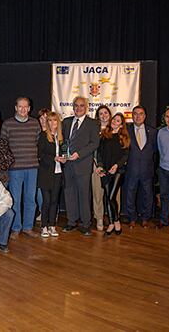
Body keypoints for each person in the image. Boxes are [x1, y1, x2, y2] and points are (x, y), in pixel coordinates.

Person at [1, 97, 41, 238]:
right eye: (20, 106)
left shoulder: (35, 123)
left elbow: (37, 143)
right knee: (15, 200)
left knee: (31, 198)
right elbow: (3, 146)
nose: (23, 109)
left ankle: (28, 227)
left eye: (26, 107)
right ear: (16, 108)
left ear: (29, 108)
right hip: (15, 168)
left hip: (32, 167)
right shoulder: (8, 124)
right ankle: (16, 228)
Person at [61, 96, 100, 236]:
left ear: (87, 107)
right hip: (68, 165)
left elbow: (94, 143)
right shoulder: (66, 122)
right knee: (69, 193)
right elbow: (64, 141)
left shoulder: (93, 123)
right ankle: (72, 221)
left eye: (81, 106)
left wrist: (79, 154)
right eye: (76, 105)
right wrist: (64, 154)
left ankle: (85, 224)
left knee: (84, 195)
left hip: (83, 164)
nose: (78, 108)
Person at [122, 106, 157, 227]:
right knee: (130, 194)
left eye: (141, 114)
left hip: (147, 170)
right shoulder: (126, 130)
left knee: (147, 195)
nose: (138, 116)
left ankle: (145, 217)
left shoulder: (152, 131)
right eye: (135, 114)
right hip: (131, 169)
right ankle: (132, 217)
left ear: (145, 116)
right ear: (132, 116)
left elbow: (155, 150)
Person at [96, 112, 130, 236]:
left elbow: (125, 155)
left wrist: (117, 165)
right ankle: (111, 223)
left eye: (117, 121)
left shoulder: (124, 138)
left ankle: (116, 221)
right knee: (106, 197)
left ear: (121, 125)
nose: (114, 122)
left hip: (117, 170)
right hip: (105, 170)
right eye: (114, 119)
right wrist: (100, 166)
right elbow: (99, 153)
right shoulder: (104, 135)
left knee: (111, 197)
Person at [37, 112, 65, 237]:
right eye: (50, 120)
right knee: (46, 201)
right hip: (45, 173)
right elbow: (40, 155)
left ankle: (52, 226)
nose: (52, 123)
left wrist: (64, 159)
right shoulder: (43, 136)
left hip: (58, 173)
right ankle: (44, 226)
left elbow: (65, 153)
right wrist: (53, 158)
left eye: (54, 120)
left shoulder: (61, 137)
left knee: (54, 200)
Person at [90, 105, 112, 231]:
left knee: (114, 194)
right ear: (97, 116)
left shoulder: (115, 128)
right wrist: (98, 165)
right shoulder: (94, 129)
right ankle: (99, 217)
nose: (104, 115)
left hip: (111, 166)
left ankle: (113, 217)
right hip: (96, 165)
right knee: (98, 192)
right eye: (101, 113)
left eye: (106, 113)